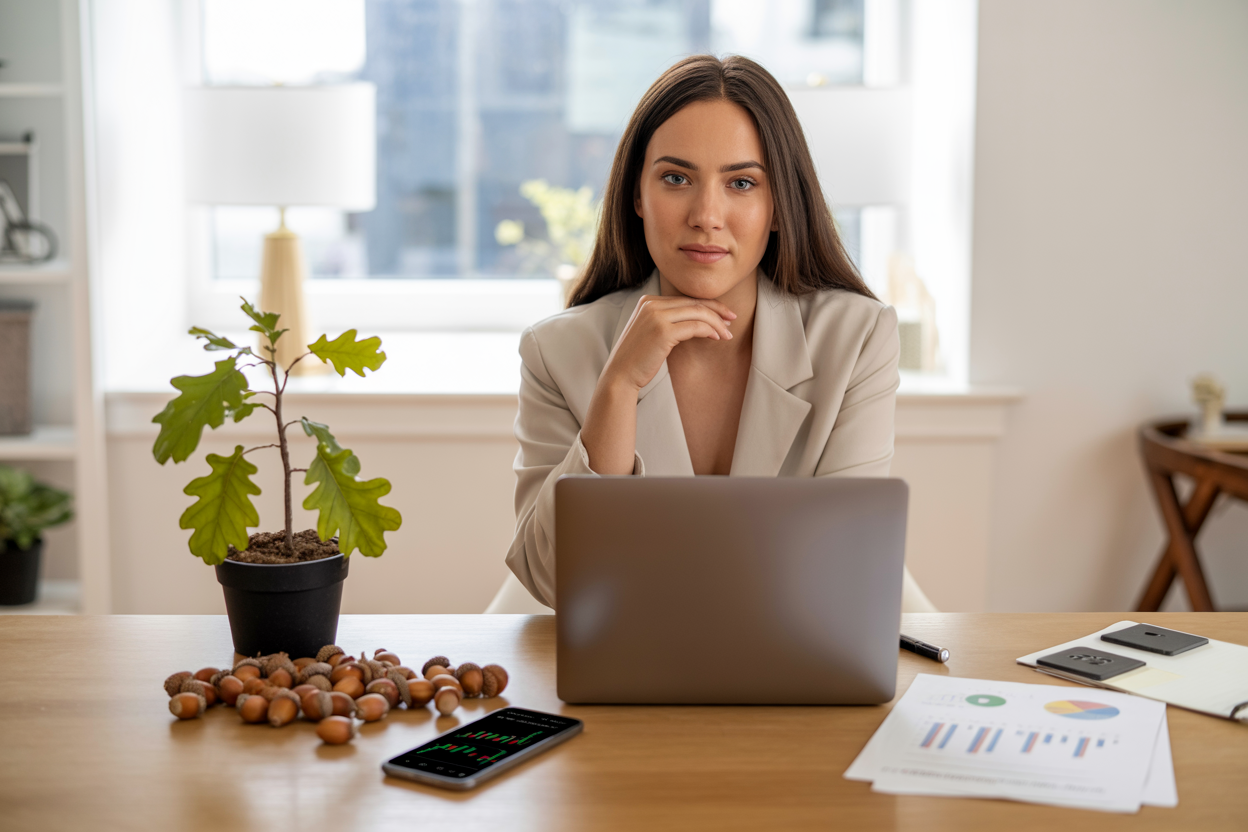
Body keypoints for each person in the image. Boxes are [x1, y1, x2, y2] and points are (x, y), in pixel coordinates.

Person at [501, 54, 935, 613]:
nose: (707, 215)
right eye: (676, 178)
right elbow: (556, 583)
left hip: (795, 658)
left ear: (779, 206)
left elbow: (844, 566)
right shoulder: (556, 351)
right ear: (637, 195)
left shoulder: (857, 338)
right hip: (630, 669)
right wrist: (618, 388)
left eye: (742, 182)